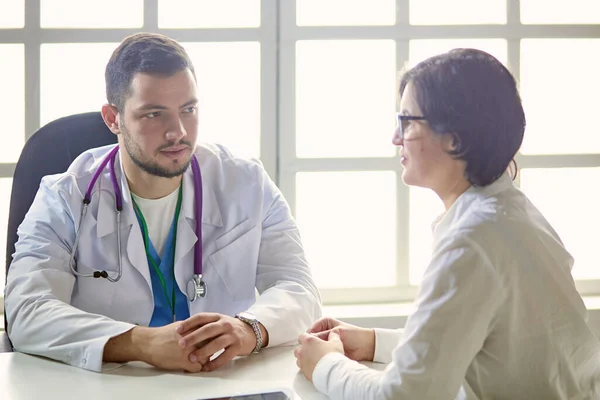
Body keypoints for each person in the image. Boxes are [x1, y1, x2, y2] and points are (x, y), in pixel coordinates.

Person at [4, 32, 321, 373]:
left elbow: (298, 288)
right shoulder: (65, 198)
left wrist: (249, 329)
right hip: (112, 390)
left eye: (189, 109)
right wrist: (139, 342)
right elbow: (26, 311)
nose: (178, 132)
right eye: (154, 115)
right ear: (113, 119)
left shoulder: (245, 183)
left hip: (225, 386)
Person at [294, 48, 600, 399]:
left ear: (455, 138)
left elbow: (402, 396)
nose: (396, 137)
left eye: (407, 122)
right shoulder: (510, 211)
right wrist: (374, 342)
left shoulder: (473, 239)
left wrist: (326, 365)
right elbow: (474, 343)